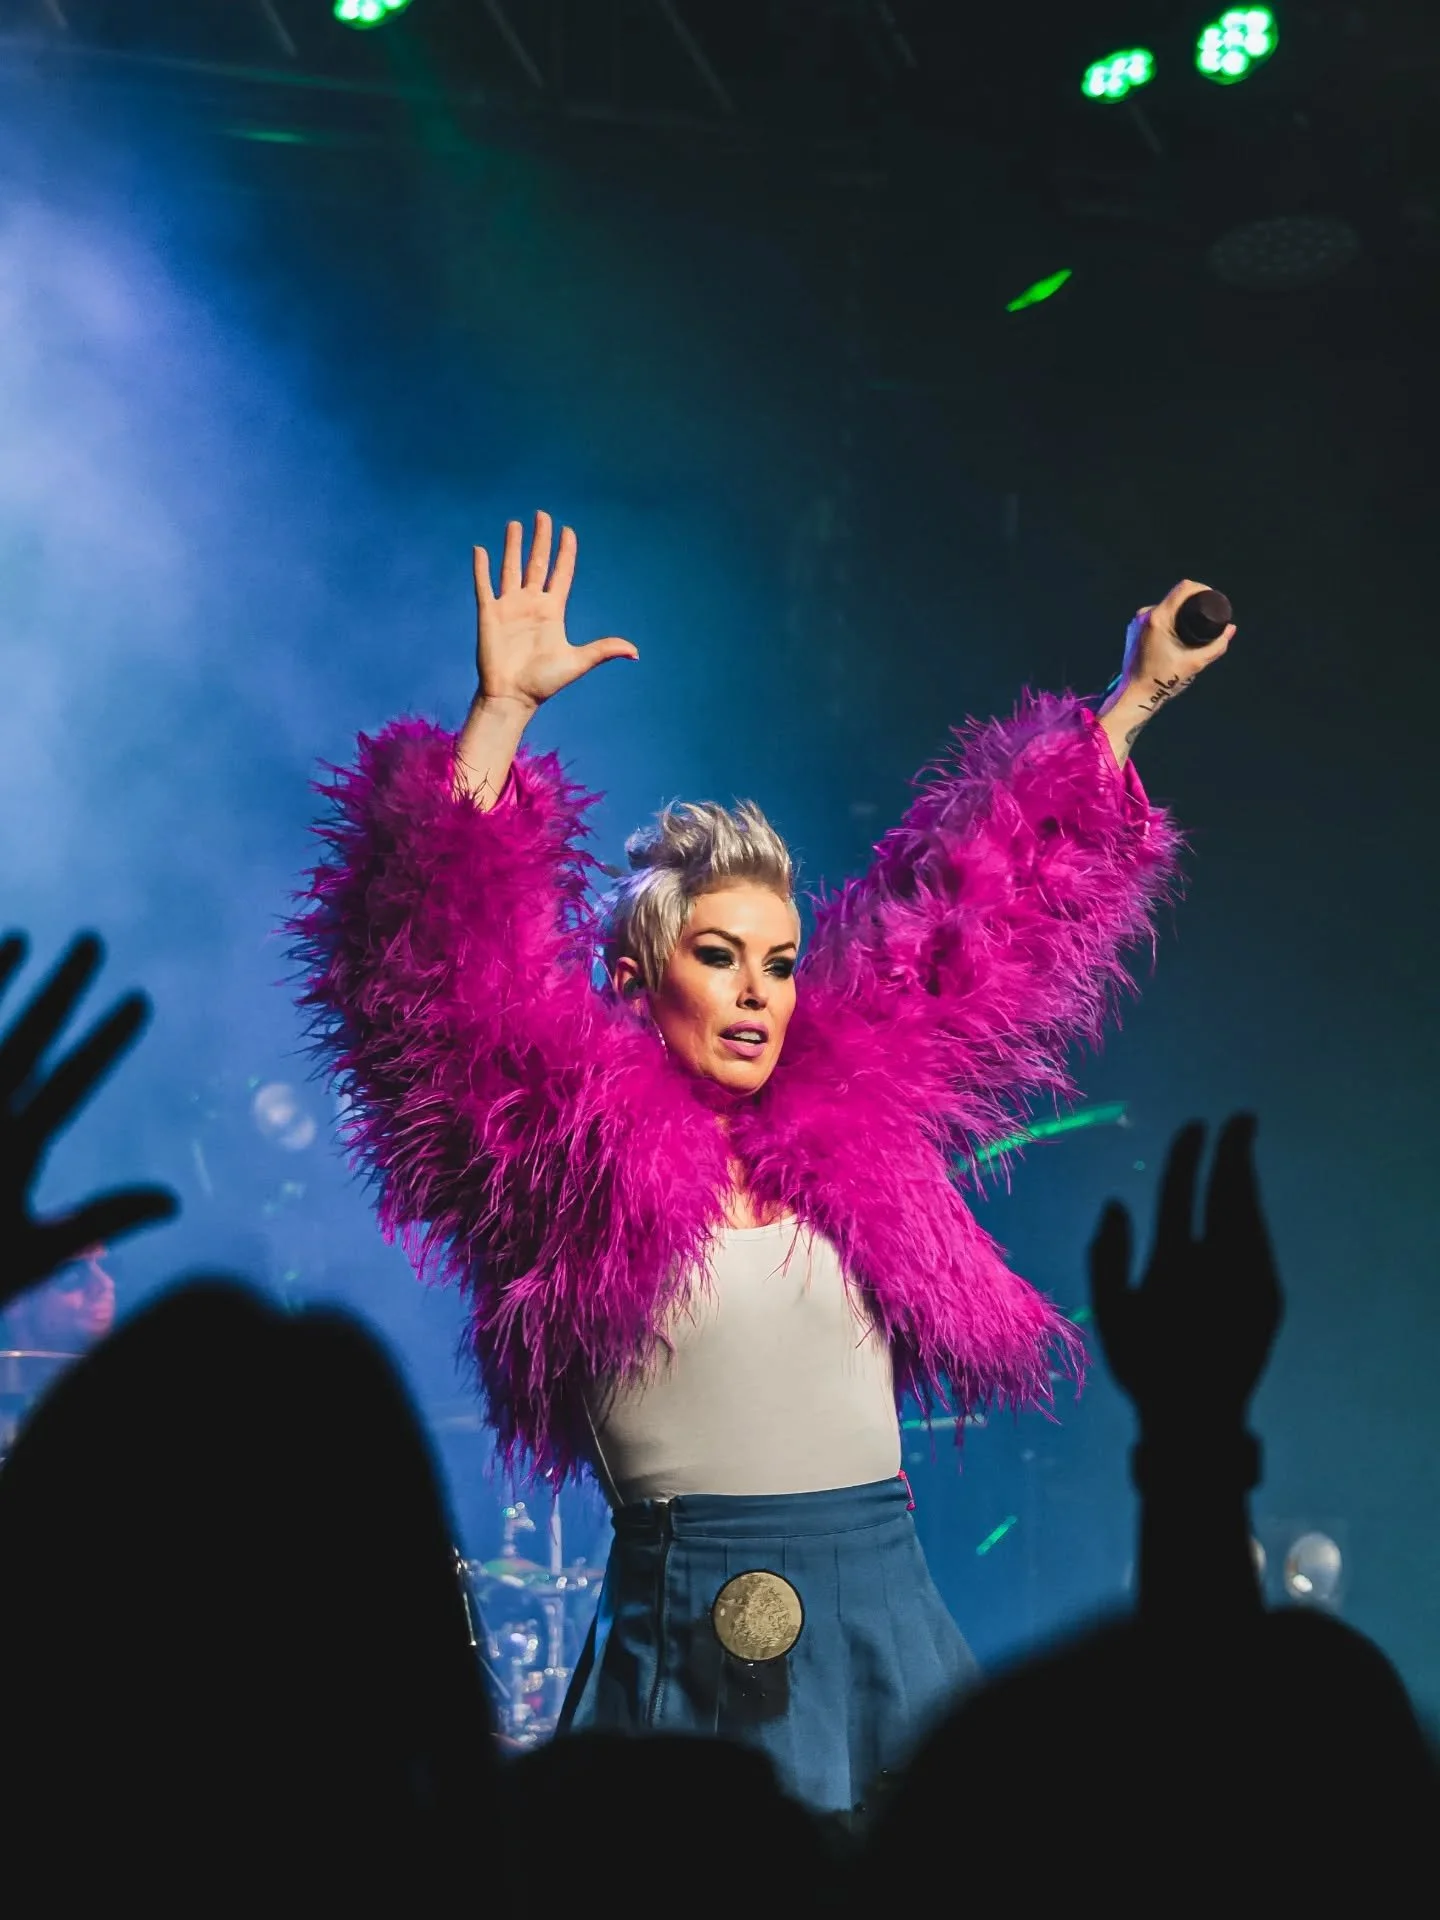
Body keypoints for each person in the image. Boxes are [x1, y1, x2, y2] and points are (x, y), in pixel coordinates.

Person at [291, 511, 1232, 1817]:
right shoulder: (569, 1158)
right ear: (635, 975)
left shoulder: (857, 1131)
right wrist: (498, 716)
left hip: (880, 1619)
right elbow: (429, 982)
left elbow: (979, 914)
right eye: (717, 955)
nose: (756, 992)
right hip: (676, 1637)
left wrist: (1128, 707)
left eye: (781, 960)